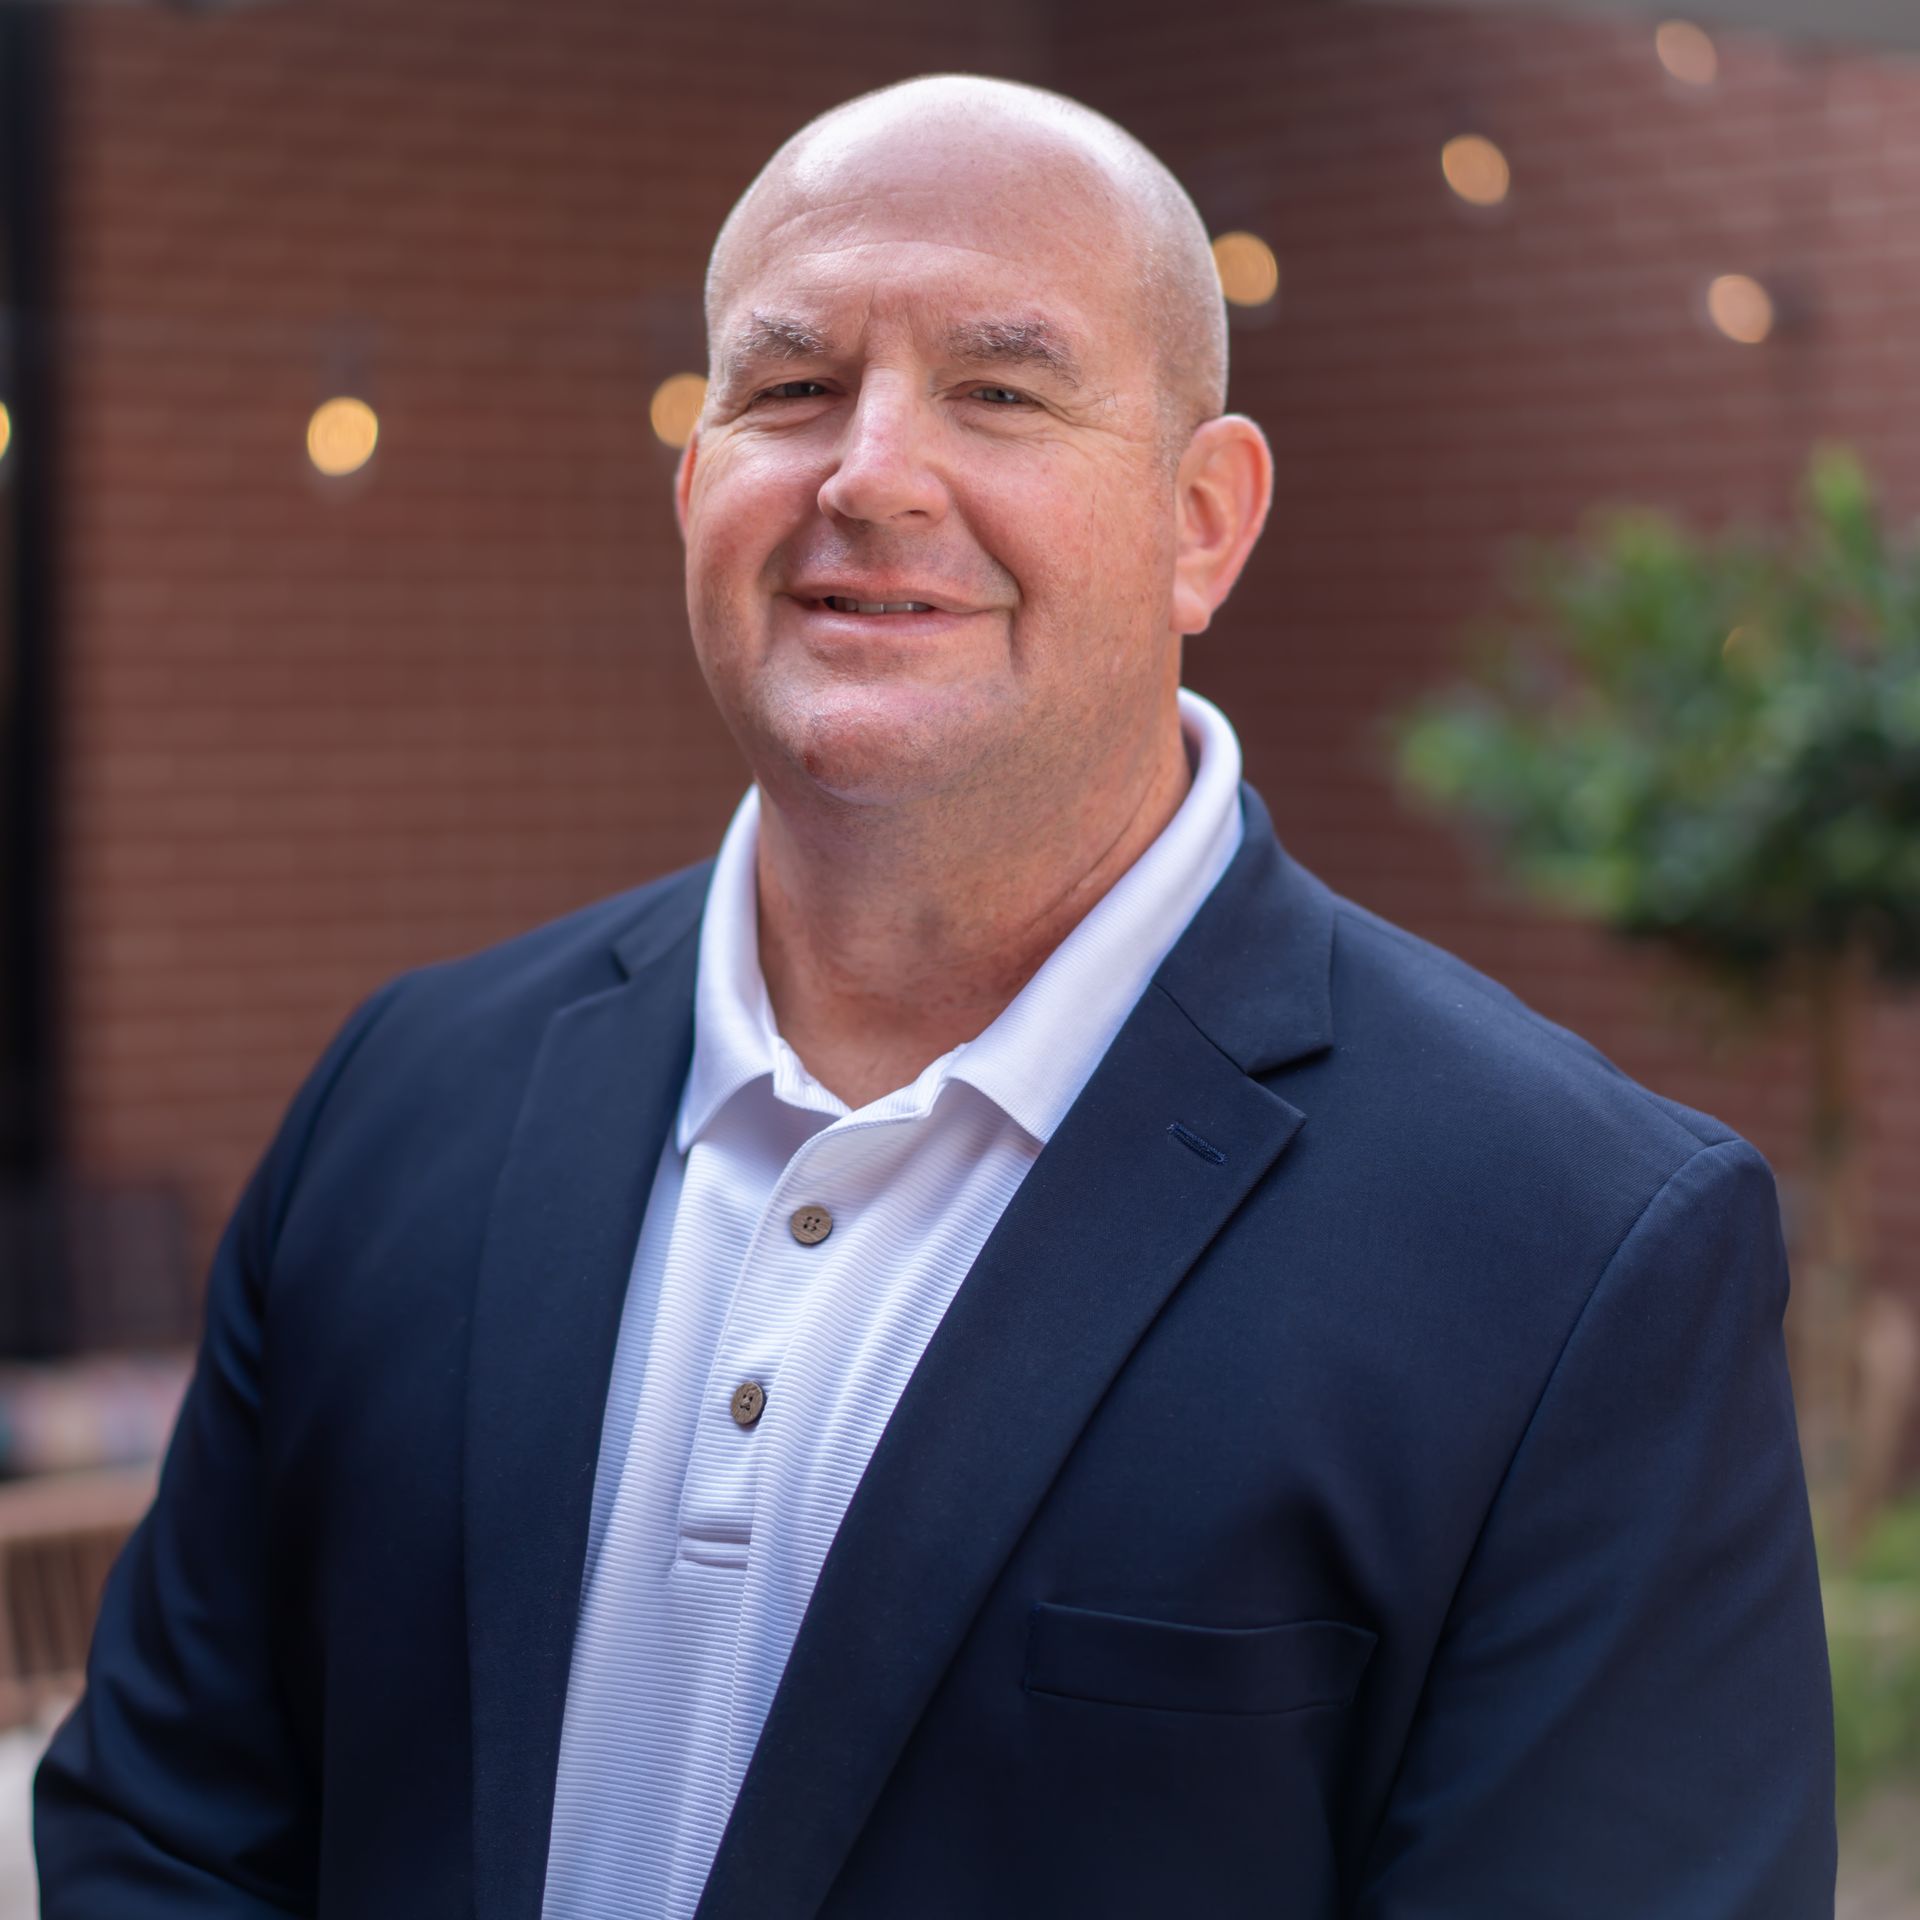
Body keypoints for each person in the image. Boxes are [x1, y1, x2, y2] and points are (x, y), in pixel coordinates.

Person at [36, 72, 1834, 1920]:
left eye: (1001, 390)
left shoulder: (1575, 1252)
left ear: (1203, 521)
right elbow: (166, 1839)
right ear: (696, 485)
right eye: (792, 388)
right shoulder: (405, 1098)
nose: (870, 473)